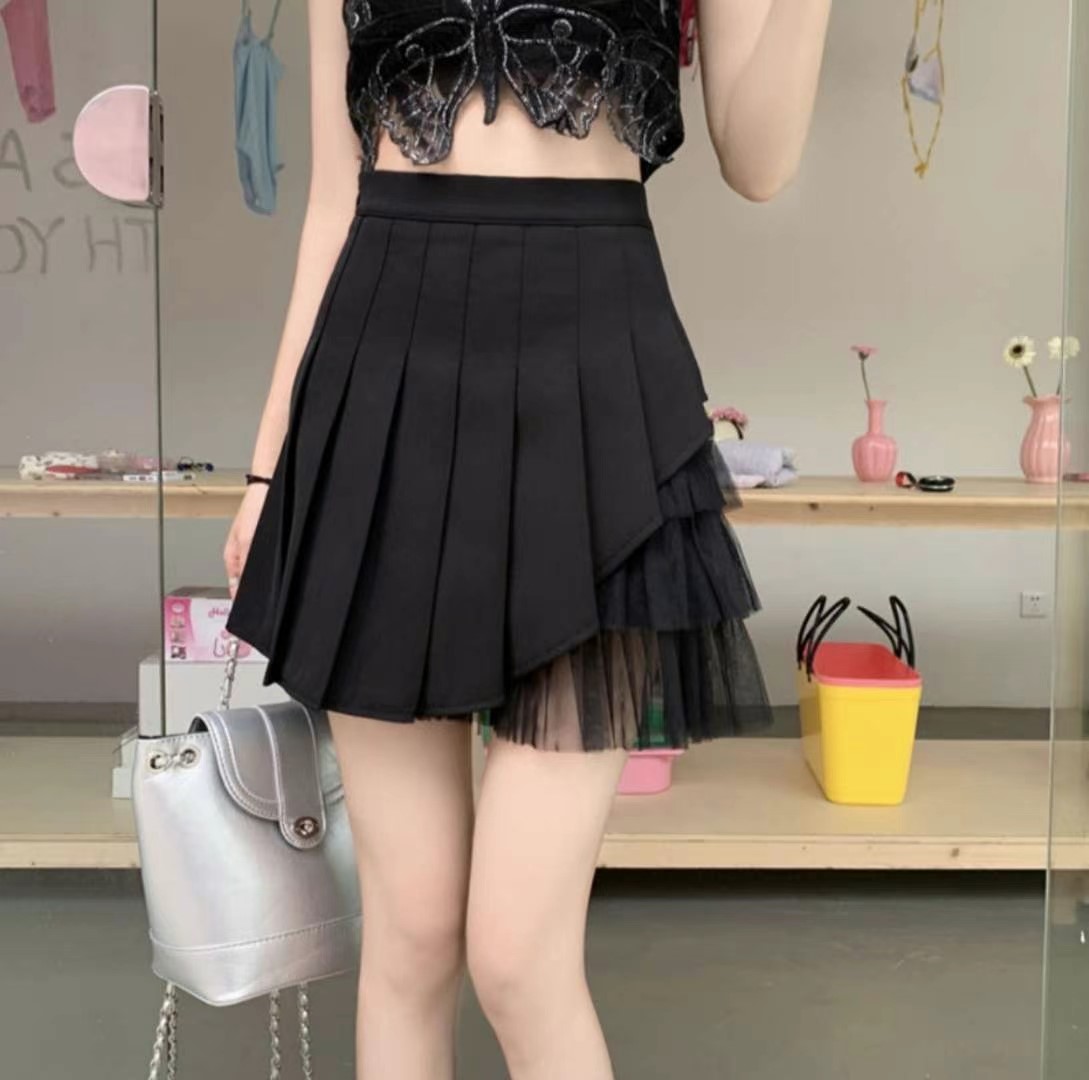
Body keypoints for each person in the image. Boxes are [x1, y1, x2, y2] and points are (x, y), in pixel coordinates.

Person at [223, 2, 831, 1077]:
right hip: (384, 381)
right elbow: (332, 198)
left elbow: (761, 160)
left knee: (516, 957)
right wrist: (269, 468)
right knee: (411, 935)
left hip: (594, 383)